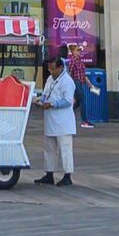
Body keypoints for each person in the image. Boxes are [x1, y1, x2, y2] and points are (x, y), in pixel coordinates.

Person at [38, 55, 80, 184]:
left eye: (53, 69)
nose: (51, 72)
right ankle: (49, 173)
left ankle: (67, 176)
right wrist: (40, 101)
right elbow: (45, 94)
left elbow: (68, 101)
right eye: (49, 69)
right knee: (49, 148)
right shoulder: (50, 79)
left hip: (63, 121)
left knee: (65, 149)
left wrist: (52, 104)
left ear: (61, 68)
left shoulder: (67, 81)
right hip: (51, 119)